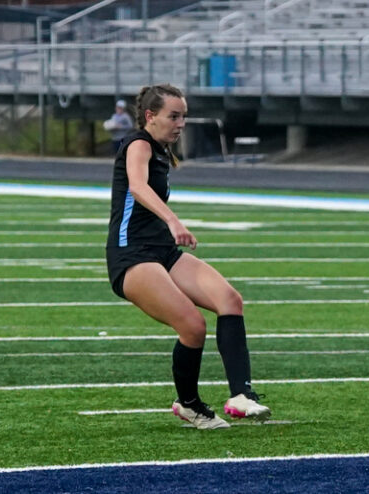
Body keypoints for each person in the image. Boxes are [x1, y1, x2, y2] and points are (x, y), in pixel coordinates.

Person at [108, 84, 268, 429]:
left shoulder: (161, 150)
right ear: (150, 116)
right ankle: (189, 405)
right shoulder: (138, 143)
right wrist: (173, 220)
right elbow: (137, 186)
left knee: (229, 300)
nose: (181, 123)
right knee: (192, 326)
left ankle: (241, 396)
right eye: (174, 116)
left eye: (184, 116)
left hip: (162, 252)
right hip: (132, 255)